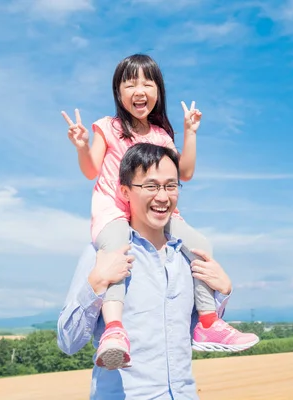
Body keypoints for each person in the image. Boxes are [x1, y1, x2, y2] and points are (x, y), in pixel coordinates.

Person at [61, 53, 259, 370]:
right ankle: (114, 330)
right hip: (115, 211)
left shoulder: (160, 136)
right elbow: (90, 170)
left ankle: (208, 321)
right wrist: (83, 146)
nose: (139, 90)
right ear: (118, 91)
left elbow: (186, 173)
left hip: (158, 214)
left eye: (147, 82)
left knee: (201, 246)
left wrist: (190, 132)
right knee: (116, 252)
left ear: (158, 91)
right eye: (130, 83)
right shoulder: (107, 127)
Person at [57, 143, 257, 399]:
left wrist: (222, 293)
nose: (163, 197)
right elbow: (68, 342)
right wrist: (95, 284)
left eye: (171, 186)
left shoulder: (188, 257)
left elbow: (193, 333)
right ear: (125, 192)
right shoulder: (103, 254)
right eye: (150, 186)